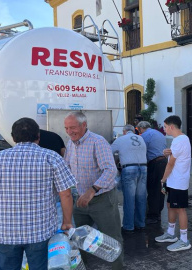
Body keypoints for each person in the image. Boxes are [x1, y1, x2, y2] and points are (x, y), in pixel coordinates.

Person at [0, 117, 76, 270]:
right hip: (40, 233)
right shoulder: (52, 157)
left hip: (5, 232)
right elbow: (66, 194)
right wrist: (67, 222)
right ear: (38, 136)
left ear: (13, 137)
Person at [63, 111, 124, 269]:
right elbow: (67, 167)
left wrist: (92, 190)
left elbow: (111, 170)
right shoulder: (70, 143)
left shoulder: (98, 141)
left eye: (73, 128)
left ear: (84, 125)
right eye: (66, 128)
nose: (69, 132)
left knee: (112, 238)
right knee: (77, 239)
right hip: (79, 199)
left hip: (102, 199)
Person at [155, 115, 192, 252]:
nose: (164, 130)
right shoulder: (181, 139)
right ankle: (170, 234)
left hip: (178, 181)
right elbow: (174, 156)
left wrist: (163, 179)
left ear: (171, 126)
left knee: (180, 209)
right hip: (175, 180)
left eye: (165, 127)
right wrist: (167, 153)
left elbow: (170, 164)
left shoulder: (179, 140)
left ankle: (184, 240)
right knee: (170, 205)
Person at [111, 124, 147, 232]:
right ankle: (140, 223)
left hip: (129, 169)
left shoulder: (121, 139)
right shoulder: (141, 138)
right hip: (144, 168)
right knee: (141, 198)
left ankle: (129, 226)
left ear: (124, 131)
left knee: (129, 199)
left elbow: (109, 152)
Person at [137, 120, 168, 224]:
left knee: (153, 189)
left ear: (141, 129)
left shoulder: (144, 136)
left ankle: (153, 216)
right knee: (162, 188)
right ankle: (158, 212)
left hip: (155, 163)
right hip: (164, 162)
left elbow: (141, 150)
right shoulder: (159, 133)